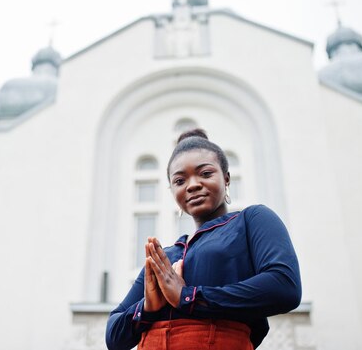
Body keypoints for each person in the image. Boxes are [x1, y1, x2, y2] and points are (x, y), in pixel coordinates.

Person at [106, 129, 301, 350]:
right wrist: (147, 307)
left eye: (205, 174)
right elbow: (113, 337)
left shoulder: (250, 220)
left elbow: (285, 286)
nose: (192, 185)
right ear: (172, 191)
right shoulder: (165, 257)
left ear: (226, 178)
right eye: (180, 180)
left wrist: (187, 297)